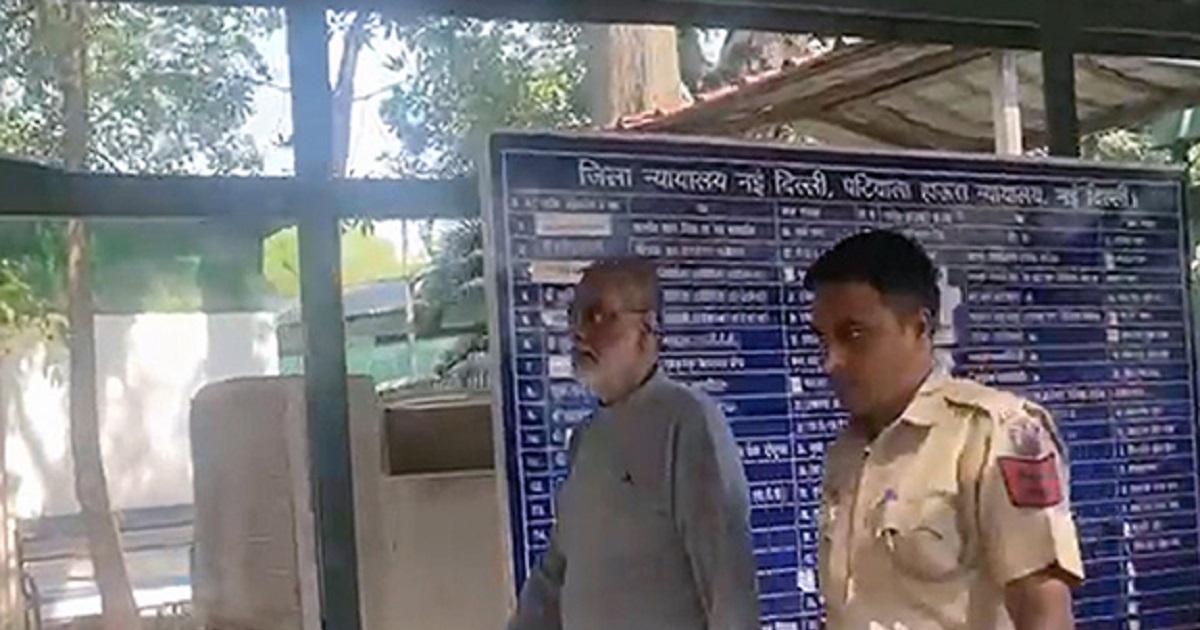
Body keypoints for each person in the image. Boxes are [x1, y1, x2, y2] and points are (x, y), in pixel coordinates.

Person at [807, 230, 1084, 630]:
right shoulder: (848, 452)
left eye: (854, 335)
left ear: (919, 327)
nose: (831, 361)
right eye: (823, 339)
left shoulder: (991, 434)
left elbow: (1044, 613)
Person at [508, 257, 760, 630]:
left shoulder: (687, 421)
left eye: (597, 315)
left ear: (647, 328)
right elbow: (555, 575)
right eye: (574, 316)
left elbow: (727, 584)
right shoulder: (586, 438)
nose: (578, 331)